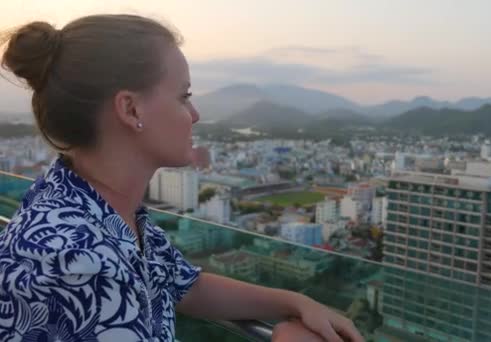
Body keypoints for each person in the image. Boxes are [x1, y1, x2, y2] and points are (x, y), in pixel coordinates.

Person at [0, 14, 363, 342]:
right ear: (131, 108)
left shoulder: (93, 206)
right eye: (183, 96)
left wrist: (296, 302)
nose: (195, 113)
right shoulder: (79, 263)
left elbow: (184, 285)